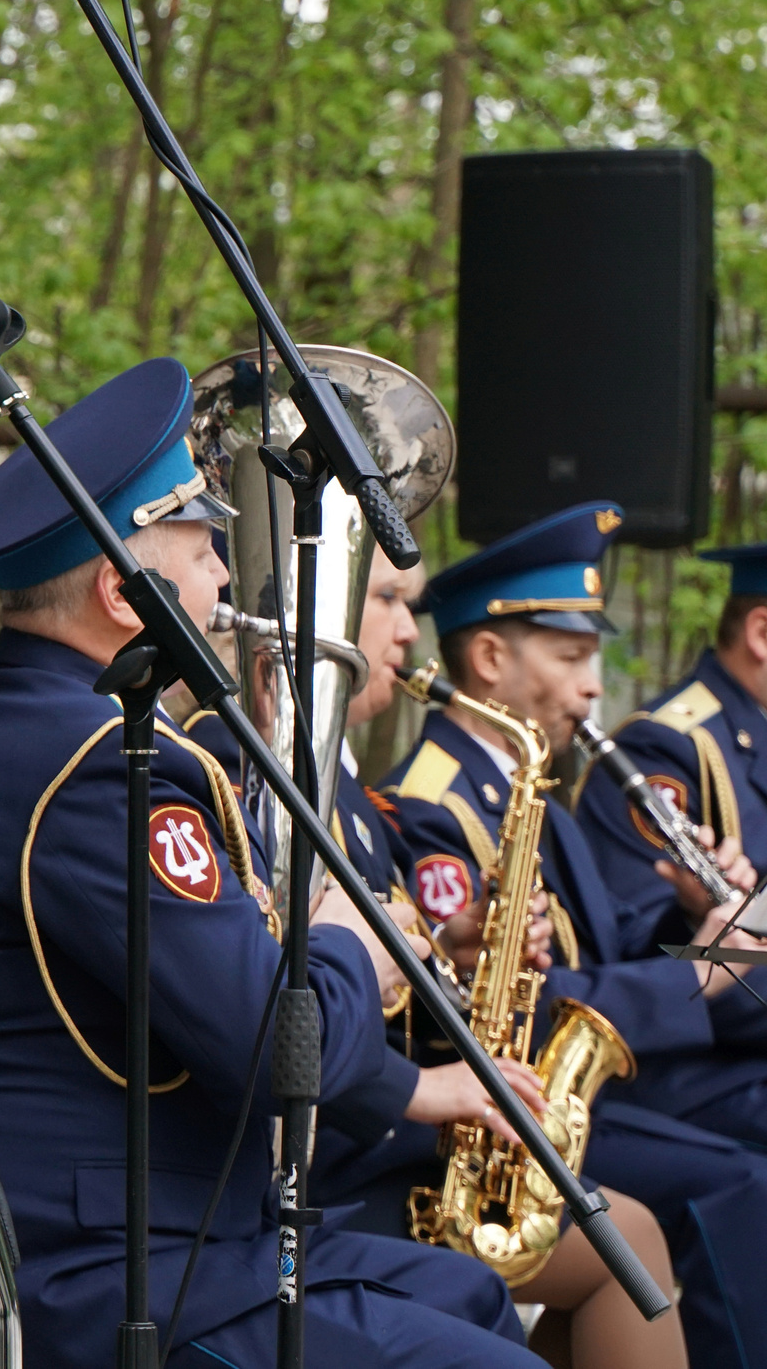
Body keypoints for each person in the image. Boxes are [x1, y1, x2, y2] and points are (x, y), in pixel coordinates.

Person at [0, 357, 534, 1369]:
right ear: (120, 594)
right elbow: (278, 1057)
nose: (228, 577)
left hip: (148, 1236)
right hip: (94, 1280)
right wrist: (348, 950)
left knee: (468, 1293)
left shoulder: (21, 733)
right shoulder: (93, 768)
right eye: (201, 548)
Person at [377, 503, 767, 1362]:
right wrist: (700, 975)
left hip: (566, 1097)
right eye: (572, 656)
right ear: (488, 659)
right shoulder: (431, 803)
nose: (594, 686)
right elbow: (475, 1008)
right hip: (489, 1117)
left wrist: (695, 918)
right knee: (736, 1181)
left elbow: (608, 944)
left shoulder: (531, 788)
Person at [307, 553, 686, 1369]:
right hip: (347, 1161)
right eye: (387, 601)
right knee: (672, 1215)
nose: (413, 631)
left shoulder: (355, 790)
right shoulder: (404, 794)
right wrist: (424, 1089)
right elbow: (281, 1002)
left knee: (638, 1234)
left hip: (409, 1124)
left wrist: (449, 948)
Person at [572, 540, 767, 1142]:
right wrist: (699, 918)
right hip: (690, 1069)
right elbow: (642, 957)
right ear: (762, 633)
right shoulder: (667, 750)